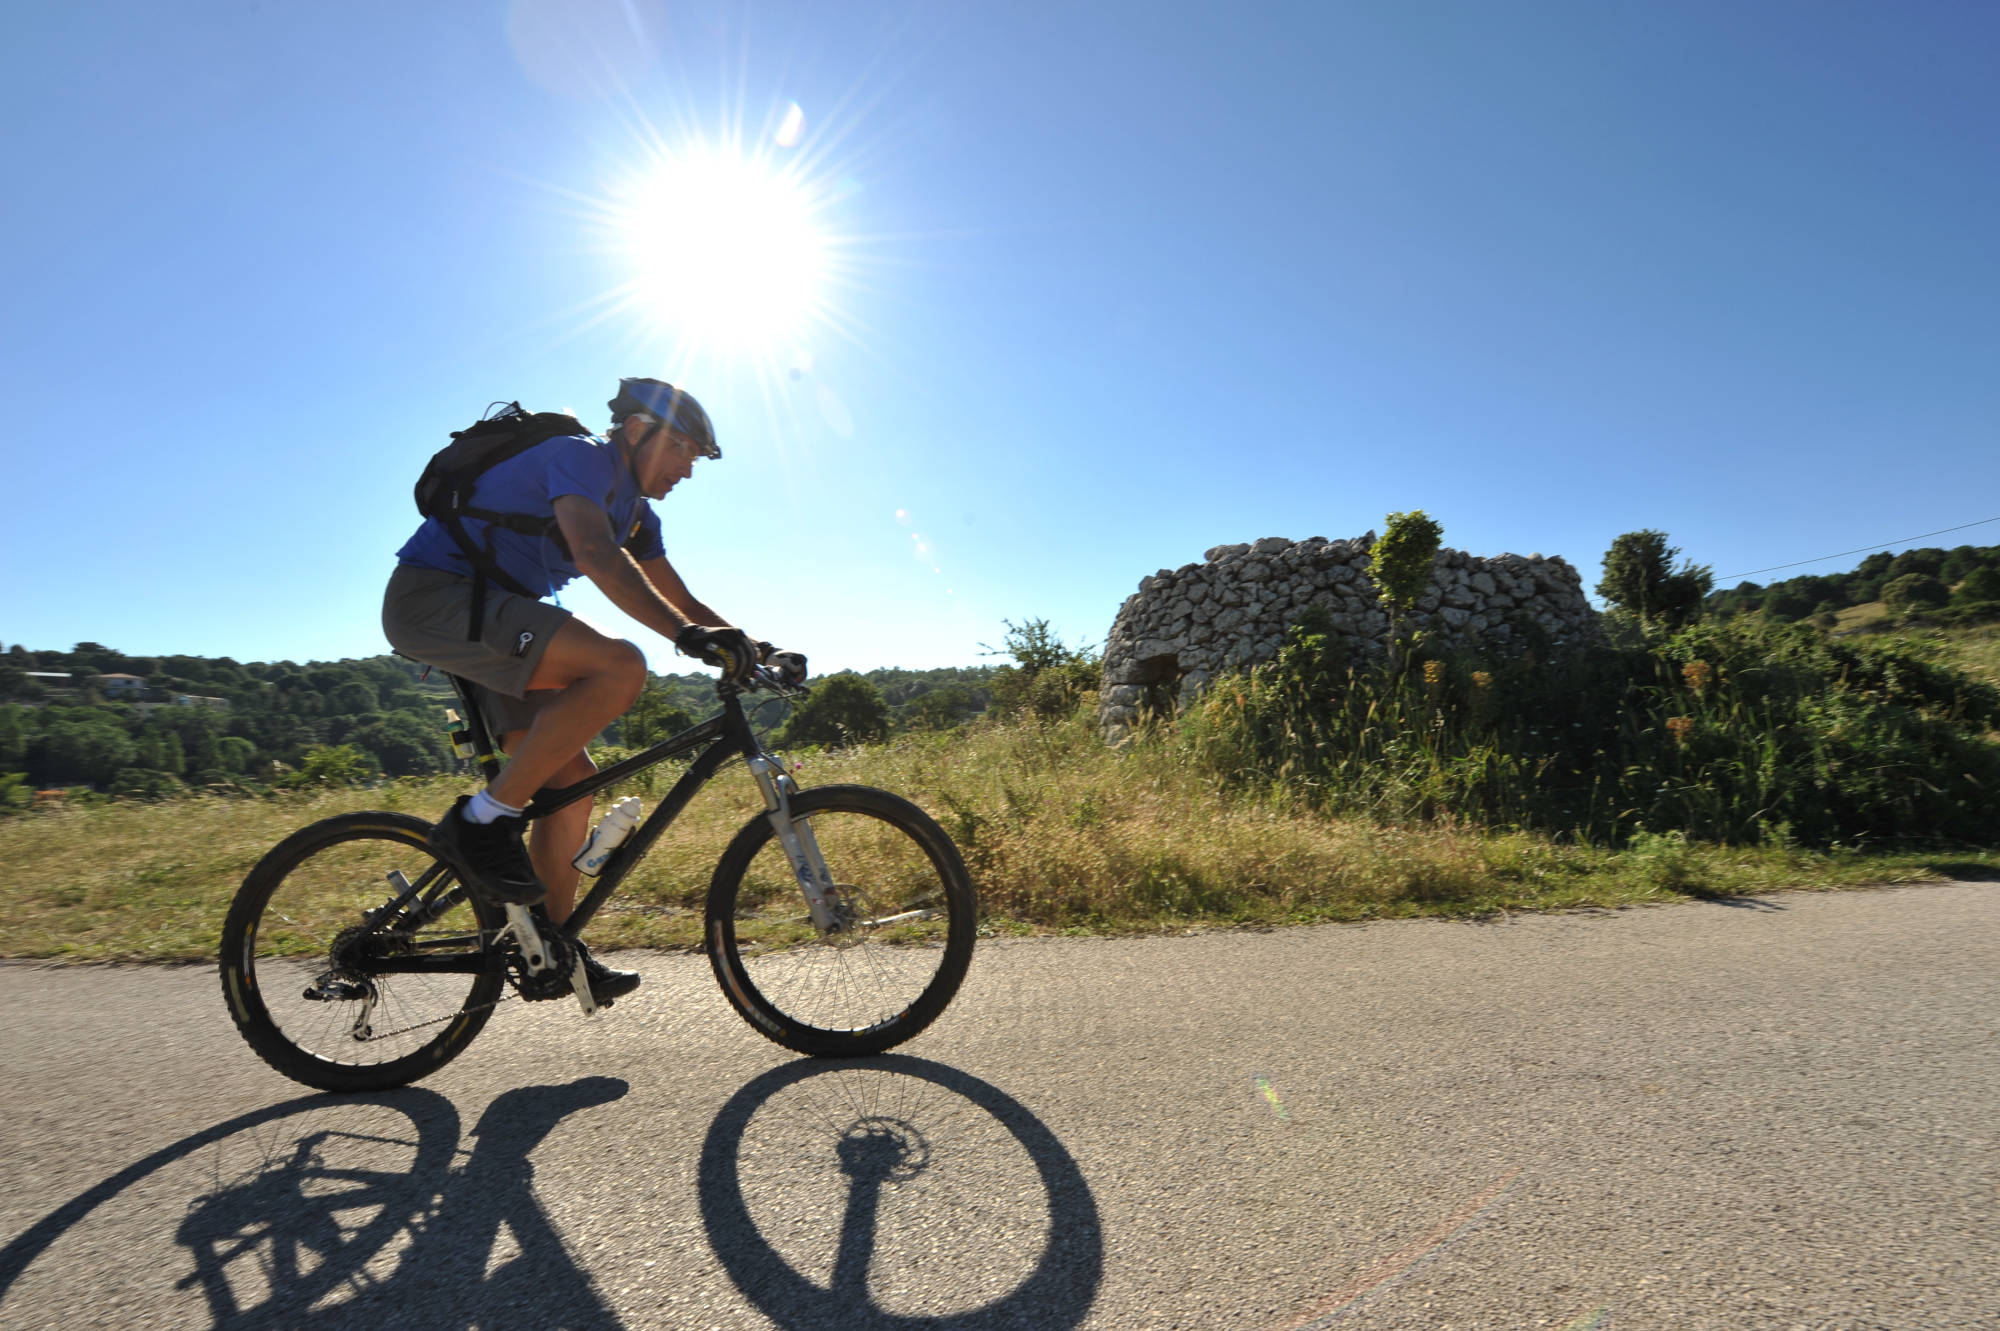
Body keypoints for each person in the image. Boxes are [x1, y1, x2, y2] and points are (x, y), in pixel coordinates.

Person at [382, 377, 783, 1005]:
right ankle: (478, 823)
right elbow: (594, 554)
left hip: (496, 614)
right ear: (636, 431)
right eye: (680, 448)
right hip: (435, 598)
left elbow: (683, 601)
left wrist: (755, 650)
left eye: (695, 457)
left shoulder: (637, 515)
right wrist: (685, 638)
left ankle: (548, 947)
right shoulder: (581, 457)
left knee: (571, 787)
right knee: (622, 667)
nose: (687, 468)